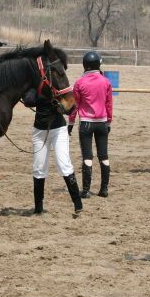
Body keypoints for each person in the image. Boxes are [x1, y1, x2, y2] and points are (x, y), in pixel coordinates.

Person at [22, 86, 84, 215]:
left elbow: (71, 107)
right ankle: (38, 208)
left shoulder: (58, 84)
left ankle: (78, 204)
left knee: (64, 165)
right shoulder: (35, 84)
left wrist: (61, 99)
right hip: (39, 131)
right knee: (38, 168)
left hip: (58, 130)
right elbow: (28, 100)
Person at [68, 51, 113, 198]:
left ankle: (86, 190)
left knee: (87, 157)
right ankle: (104, 189)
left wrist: (71, 123)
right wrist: (109, 121)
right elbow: (109, 104)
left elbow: (74, 105)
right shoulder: (106, 82)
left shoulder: (80, 82)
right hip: (102, 123)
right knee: (104, 156)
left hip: (86, 123)